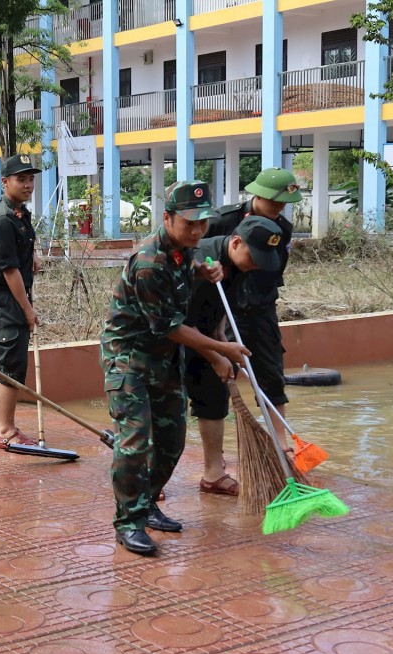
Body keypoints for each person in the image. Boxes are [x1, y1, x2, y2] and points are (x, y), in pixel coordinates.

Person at [101, 181, 249, 556]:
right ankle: (128, 522)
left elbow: (182, 273)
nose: (198, 231)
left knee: (172, 439)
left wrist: (202, 271)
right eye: (189, 224)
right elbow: (168, 325)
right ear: (167, 218)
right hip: (129, 359)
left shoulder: (183, 251)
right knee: (135, 443)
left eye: (203, 224)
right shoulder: (150, 261)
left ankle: (147, 504)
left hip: (163, 358)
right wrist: (221, 350)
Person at [185, 216, 286, 496]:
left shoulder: (241, 264)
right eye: (255, 257)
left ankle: (213, 475)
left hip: (203, 332)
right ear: (237, 242)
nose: (257, 265)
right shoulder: (202, 262)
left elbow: (217, 310)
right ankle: (146, 479)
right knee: (162, 407)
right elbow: (181, 323)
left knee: (215, 399)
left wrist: (222, 341)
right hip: (165, 334)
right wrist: (218, 355)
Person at [207, 167, 302, 461]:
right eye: (273, 201)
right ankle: (217, 453)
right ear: (256, 194)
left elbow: (275, 270)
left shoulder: (283, 229)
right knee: (221, 378)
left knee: (271, 372)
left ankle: (280, 444)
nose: (278, 208)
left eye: (283, 203)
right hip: (223, 307)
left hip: (260, 307)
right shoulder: (224, 220)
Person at [0, 153, 41, 451]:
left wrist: (34, 258)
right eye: (21, 179)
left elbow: (19, 256)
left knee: (15, 364)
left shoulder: (19, 212)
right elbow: (8, 269)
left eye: (31, 179)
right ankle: (4, 430)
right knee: (8, 367)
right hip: (5, 301)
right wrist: (28, 309)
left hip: (14, 298)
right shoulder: (3, 218)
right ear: (5, 182)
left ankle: (9, 426)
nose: (28, 184)